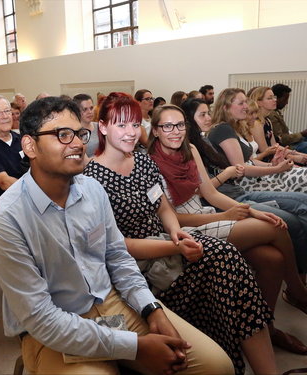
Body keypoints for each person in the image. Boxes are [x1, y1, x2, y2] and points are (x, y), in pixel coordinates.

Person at [0, 96, 234, 375]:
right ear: (30, 145)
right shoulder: (6, 219)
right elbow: (41, 318)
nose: (78, 144)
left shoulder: (92, 190)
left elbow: (118, 257)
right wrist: (136, 347)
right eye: (63, 135)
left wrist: (152, 308)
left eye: (80, 133)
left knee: (217, 366)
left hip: (113, 302)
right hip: (57, 327)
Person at [84, 93, 277, 374]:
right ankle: (235, 362)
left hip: (166, 244)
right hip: (136, 267)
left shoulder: (141, 160)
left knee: (230, 262)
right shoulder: (91, 179)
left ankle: (248, 361)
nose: (130, 132)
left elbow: (163, 207)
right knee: (224, 260)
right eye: (121, 125)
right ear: (102, 127)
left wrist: (177, 234)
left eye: (135, 125)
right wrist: (176, 246)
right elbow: (118, 247)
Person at [148, 102, 307, 358]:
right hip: (185, 228)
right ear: (155, 130)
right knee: (274, 227)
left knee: (273, 259)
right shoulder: (148, 162)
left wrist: (249, 210)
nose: (175, 131)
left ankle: (268, 327)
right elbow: (172, 218)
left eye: (179, 125)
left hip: (206, 213)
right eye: (167, 126)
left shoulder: (189, 149)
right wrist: (227, 215)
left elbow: (209, 193)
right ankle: (298, 292)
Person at [183, 97, 307, 280]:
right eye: (202, 115)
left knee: (302, 203)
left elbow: (237, 167)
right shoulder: (196, 144)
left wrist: (271, 165)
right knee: (290, 221)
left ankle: (299, 274)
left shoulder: (202, 141)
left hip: (237, 192)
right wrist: (229, 173)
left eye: (208, 113)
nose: (208, 118)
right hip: (227, 199)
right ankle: (297, 280)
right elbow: (206, 191)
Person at [208, 88, 307, 193]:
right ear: (225, 108)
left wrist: (273, 165)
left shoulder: (236, 127)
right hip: (245, 184)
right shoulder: (223, 129)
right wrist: (276, 169)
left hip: (253, 179)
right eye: (241, 103)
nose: (246, 106)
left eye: (246, 102)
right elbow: (241, 167)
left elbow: (251, 161)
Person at [248, 87, 307, 164]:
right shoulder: (256, 123)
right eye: (270, 98)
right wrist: (292, 157)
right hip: (266, 163)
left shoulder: (267, 121)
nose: (275, 100)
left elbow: (275, 146)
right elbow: (266, 151)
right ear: (259, 102)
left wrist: (296, 153)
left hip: (273, 159)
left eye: (274, 97)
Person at [269, 83, 307, 153]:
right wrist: (301, 134)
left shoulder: (276, 112)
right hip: (286, 146)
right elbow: (281, 139)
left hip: (289, 142)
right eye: (285, 99)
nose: (286, 102)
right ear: (276, 98)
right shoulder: (271, 115)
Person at [73, 93, 99, 158]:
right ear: (77, 111)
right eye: (85, 109)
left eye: (91, 108)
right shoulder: (74, 132)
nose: (90, 112)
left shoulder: (99, 127)